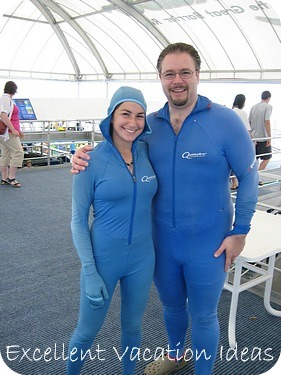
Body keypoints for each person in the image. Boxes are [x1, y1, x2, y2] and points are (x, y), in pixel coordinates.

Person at [71, 43, 259, 375]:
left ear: (198, 75)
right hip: (161, 245)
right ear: (160, 78)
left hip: (209, 244)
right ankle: (175, 356)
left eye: (185, 72)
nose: (178, 80)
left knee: (203, 316)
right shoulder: (149, 127)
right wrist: (81, 154)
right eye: (169, 73)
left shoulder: (225, 122)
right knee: (171, 307)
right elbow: (117, 148)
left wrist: (240, 231)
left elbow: (248, 176)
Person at [67, 86, 157, 375]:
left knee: (133, 327)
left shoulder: (148, 150)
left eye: (140, 116)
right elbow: (78, 220)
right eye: (125, 114)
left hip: (143, 258)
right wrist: (90, 271)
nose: (133, 123)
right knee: (86, 333)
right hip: (104, 259)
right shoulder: (90, 160)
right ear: (111, 116)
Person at [0, 81, 24, 187]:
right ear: (14, 90)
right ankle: (11, 177)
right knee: (18, 152)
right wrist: (13, 129)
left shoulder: (5, 98)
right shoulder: (6, 99)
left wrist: (17, 130)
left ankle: (4, 178)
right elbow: (4, 116)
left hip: (6, 132)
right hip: (8, 133)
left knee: (6, 154)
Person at [230, 94, 252, 190]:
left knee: (230, 163)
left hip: (229, 141)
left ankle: (234, 182)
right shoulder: (243, 113)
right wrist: (252, 140)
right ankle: (241, 183)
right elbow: (247, 129)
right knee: (241, 163)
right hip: (239, 141)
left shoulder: (230, 111)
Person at [249, 91, 272, 174]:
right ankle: (257, 175)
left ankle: (254, 177)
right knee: (267, 157)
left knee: (255, 159)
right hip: (263, 138)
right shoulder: (268, 107)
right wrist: (269, 137)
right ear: (269, 98)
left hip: (253, 138)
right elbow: (267, 122)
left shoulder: (253, 107)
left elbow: (249, 122)